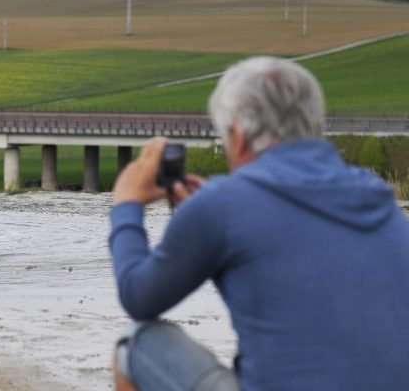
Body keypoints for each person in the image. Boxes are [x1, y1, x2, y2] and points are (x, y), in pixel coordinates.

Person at [109, 57, 409, 391]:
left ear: (237, 134)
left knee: (135, 344)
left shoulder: (224, 207)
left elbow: (138, 296)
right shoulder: (377, 197)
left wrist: (126, 204)